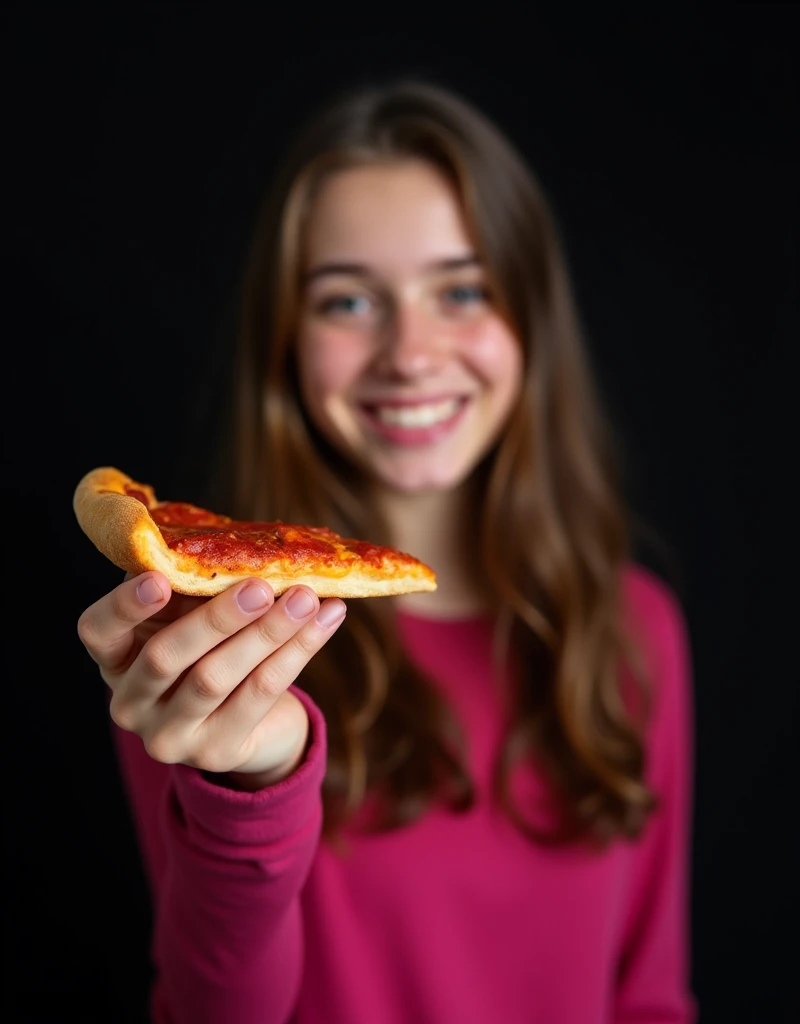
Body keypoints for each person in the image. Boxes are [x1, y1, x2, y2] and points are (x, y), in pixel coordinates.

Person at [77, 78, 696, 1024]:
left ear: (530, 315)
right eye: (350, 302)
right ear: (286, 340)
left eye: (462, 288)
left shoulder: (637, 627)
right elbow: (217, 1009)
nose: (410, 351)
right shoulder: (197, 640)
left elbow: (648, 998)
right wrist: (255, 775)